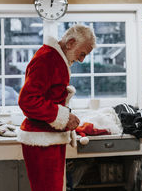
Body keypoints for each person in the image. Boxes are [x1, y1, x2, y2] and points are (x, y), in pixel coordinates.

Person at [17, 24, 96, 191]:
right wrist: (64, 117)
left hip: (48, 138)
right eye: (82, 54)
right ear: (70, 43)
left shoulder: (56, 58)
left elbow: (48, 95)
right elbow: (27, 100)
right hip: (42, 140)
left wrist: (65, 114)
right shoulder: (47, 59)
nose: (82, 60)